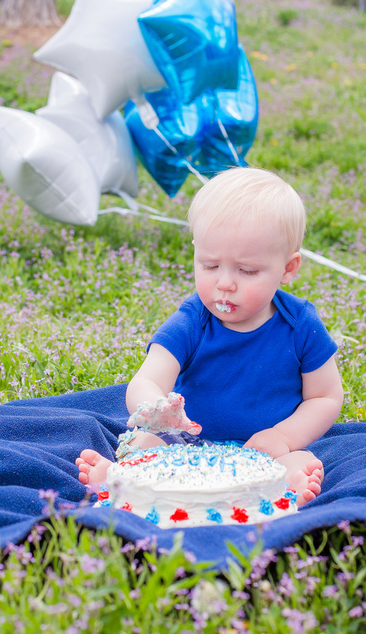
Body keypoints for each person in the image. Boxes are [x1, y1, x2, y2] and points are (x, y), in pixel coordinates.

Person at [77, 167, 344, 504]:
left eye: (247, 270)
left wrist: (283, 437)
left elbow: (325, 397)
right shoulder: (193, 320)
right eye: (209, 265)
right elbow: (146, 379)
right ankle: (118, 478)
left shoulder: (300, 324)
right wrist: (156, 408)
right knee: (146, 445)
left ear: (288, 268)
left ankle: (290, 486)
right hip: (184, 444)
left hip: (264, 449)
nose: (225, 283)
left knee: (301, 462)